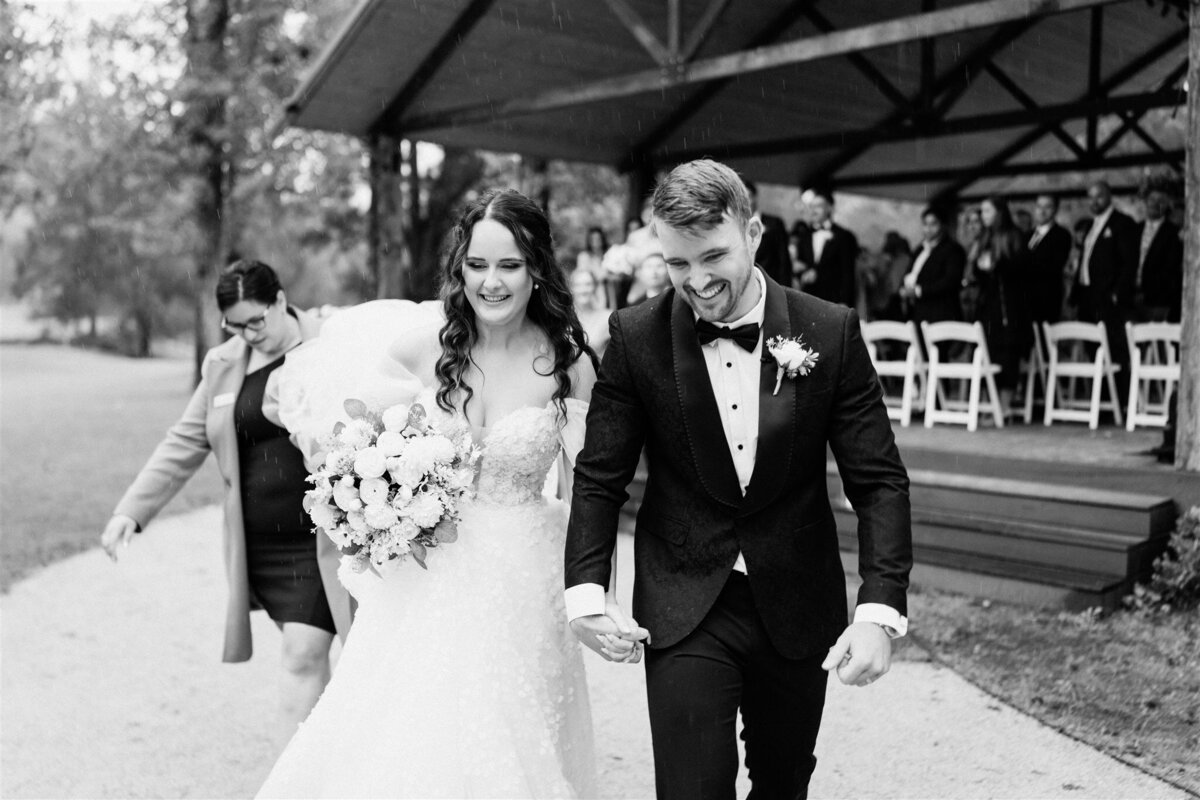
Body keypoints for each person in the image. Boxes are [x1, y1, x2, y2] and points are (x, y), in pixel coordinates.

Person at [564, 159, 912, 799]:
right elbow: (598, 475)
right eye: (676, 264)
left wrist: (879, 610)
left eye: (713, 256)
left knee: (783, 785)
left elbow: (879, 481)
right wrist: (587, 593)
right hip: (683, 599)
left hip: (798, 602)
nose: (696, 282)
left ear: (753, 233)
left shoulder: (828, 330)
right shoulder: (635, 336)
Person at [257, 190, 615, 798]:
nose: (491, 282)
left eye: (510, 265)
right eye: (477, 265)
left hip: (525, 579)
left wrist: (594, 594)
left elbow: (591, 489)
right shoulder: (423, 350)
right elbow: (354, 441)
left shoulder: (568, 363)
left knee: (505, 735)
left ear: (537, 270)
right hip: (427, 576)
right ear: (460, 269)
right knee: (408, 733)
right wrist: (372, 496)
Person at [100, 260, 352, 743]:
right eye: (234, 325)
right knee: (308, 659)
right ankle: (336, 762)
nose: (248, 334)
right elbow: (184, 441)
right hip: (261, 548)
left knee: (302, 654)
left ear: (280, 301)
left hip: (321, 542)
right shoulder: (224, 365)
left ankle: (296, 783)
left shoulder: (329, 348)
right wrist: (131, 510)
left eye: (256, 320)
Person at [1071, 180, 1138, 405]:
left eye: (1098, 196)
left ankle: (1119, 402)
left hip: (1108, 298)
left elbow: (1129, 263)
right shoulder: (1090, 225)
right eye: (1090, 196)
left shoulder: (1122, 223)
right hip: (1088, 296)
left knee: (1115, 349)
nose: (1094, 201)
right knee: (1093, 349)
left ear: (1109, 196)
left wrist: (1117, 292)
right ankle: (1101, 401)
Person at [975, 196, 1032, 413]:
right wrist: (981, 269)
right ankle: (992, 405)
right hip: (988, 306)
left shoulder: (1014, 236)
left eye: (987, 211)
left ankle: (1004, 405)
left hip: (1010, 307)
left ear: (999, 212)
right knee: (988, 351)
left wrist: (998, 266)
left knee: (1008, 354)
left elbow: (1022, 270)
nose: (983, 216)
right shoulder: (984, 237)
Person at [793, 186, 859, 307]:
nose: (813, 211)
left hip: (833, 300)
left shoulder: (844, 236)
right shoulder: (805, 236)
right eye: (811, 207)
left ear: (829, 208)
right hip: (808, 298)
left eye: (818, 206)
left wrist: (844, 301)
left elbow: (848, 272)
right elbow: (801, 264)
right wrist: (802, 272)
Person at [901, 206, 965, 326]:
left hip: (941, 315)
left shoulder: (953, 250)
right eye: (925, 224)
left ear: (943, 225)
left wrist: (919, 291)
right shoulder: (920, 249)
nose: (928, 229)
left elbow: (950, 281)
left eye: (933, 224)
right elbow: (909, 271)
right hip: (917, 313)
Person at [1133, 186, 1183, 323]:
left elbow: (1170, 268)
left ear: (1166, 205)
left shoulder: (1173, 233)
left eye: (1160, 200)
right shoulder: (1134, 229)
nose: (1155, 203)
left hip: (1158, 300)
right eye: (1152, 199)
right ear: (1146, 202)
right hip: (1131, 297)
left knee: (1157, 341)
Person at [1027, 194, 1073, 325]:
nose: (1042, 211)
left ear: (1055, 209)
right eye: (1039, 206)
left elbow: (1054, 265)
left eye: (1047, 207)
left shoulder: (1061, 235)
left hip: (1048, 297)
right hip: (1027, 298)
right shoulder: (1028, 235)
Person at [745, 180, 791, 287]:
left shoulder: (774, 224)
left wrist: (785, 288)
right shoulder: (734, 225)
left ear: (755, 198)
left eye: (748, 197)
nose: (745, 202)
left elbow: (783, 258)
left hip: (771, 283)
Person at [570, 267, 612, 359]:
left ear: (594, 287)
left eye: (588, 284)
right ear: (571, 289)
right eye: (578, 285)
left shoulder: (607, 317)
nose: (583, 290)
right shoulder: (564, 319)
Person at [959, 206, 985, 322]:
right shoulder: (967, 247)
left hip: (980, 295)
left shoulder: (987, 246)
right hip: (965, 296)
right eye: (969, 222)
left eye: (976, 222)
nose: (972, 226)